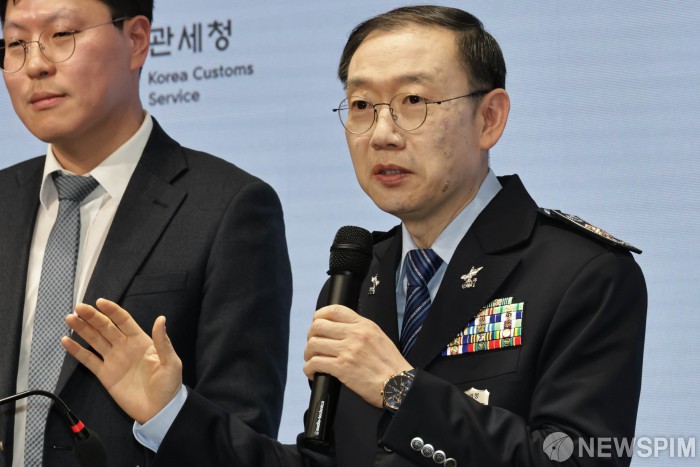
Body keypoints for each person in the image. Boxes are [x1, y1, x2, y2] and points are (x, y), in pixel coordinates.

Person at [61, 5, 647, 467]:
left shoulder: (583, 274)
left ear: (489, 118)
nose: (382, 132)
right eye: (362, 105)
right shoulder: (361, 274)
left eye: (413, 101)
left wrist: (401, 389)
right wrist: (171, 412)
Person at [0, 0, 291, 466]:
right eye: (16, 43)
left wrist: (166, 414)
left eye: (62, 35)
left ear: (136, 40)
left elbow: (244, 439)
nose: (35, 64)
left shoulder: (229, 209)